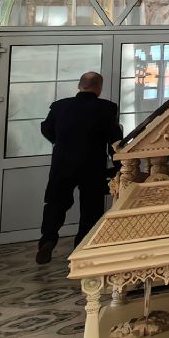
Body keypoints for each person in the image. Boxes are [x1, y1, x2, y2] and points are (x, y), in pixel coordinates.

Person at [37, 71, 123, 264]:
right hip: (91, 165)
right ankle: (82, 247)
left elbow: (46, 128)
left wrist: (61, 143)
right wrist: (120, 165)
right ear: (99, 88)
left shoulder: (60, 106)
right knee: (91, 207)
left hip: (62, 164)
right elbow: (114, 140)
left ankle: (47, 240)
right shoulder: (106, 108)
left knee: (55, 203)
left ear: (79, 85)